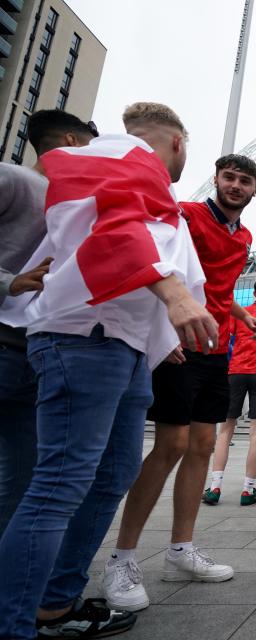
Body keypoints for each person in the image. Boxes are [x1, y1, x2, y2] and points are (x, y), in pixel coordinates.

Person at [0, 102, 215, 638]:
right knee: (58, 483)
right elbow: (116, 227)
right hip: (86, 340)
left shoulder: (122, 162)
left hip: (122, 344)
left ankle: (55, 601)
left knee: (115, 471)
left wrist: (158, 337)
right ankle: (14, 622)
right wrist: (174, 298)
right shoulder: (130, 156)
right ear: (179, 144)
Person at [107, 149, 256, 611]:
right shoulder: (187, 215)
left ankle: (181, 548)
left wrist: (241, 314)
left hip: (216, 350)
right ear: (216, 178)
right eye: (229, 177)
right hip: (178, 346)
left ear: (255, 190)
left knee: (201, 447)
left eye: (244, 181)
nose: (236, 186)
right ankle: (122, 558)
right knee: (170, 445)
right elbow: (160, 270)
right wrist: (160, 331)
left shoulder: (245, 235)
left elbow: (214, 286)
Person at [0, 109, 96, 537]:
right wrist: (10, 281)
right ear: (73, 143)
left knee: (24, 476)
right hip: (3, 342)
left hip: (35, 352)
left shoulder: (74, 204)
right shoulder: (14, 180)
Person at [204, 277, 256, 506]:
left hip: (236, 372)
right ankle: (247, 489)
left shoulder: (240, 314)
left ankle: (215, 486)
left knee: (225, 429)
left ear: (253, 293)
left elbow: (223, 336)